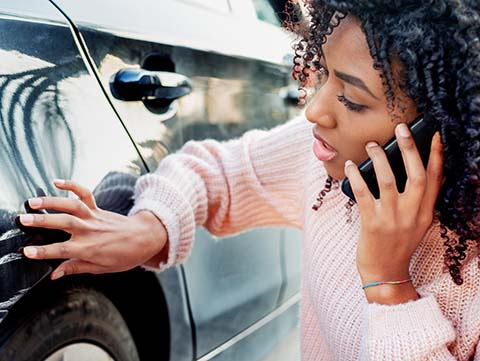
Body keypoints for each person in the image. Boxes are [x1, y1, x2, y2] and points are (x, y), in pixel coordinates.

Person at [17, 0, 480, 359]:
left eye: (352, 101)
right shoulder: (326, 166)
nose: (315, 110)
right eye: (324, 76)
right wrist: (149, 227)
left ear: (443, 126)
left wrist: (388, 284)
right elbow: (220, 170)